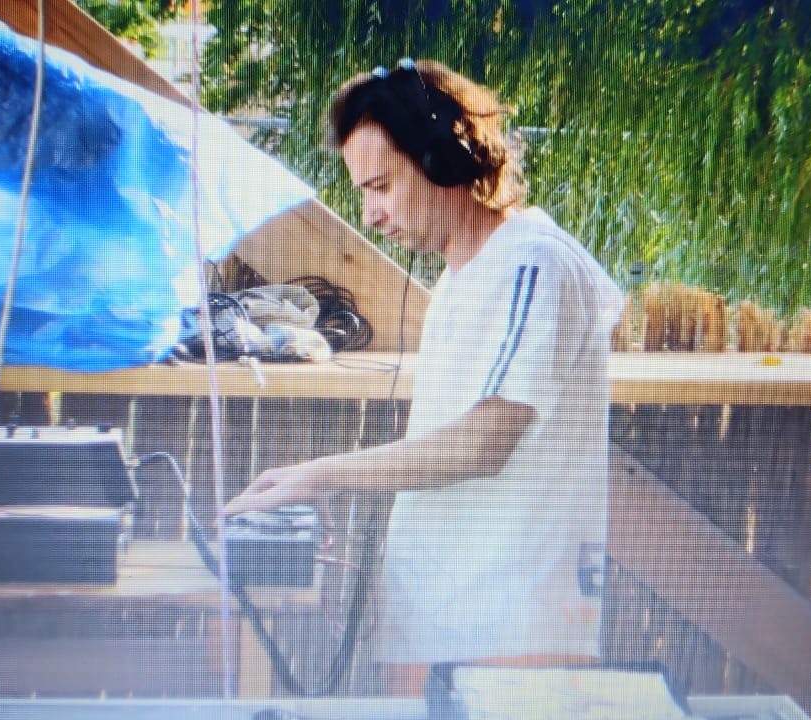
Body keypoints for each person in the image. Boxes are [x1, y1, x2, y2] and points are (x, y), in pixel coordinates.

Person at [222, 58, 623, 696]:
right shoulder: (462, 279)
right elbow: (440, 453)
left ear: (442, 156)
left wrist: (317, 475)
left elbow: (485, 443)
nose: (370, 213)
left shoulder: (534, 266)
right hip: (443, 621)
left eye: (381, 186)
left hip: (510, 630)